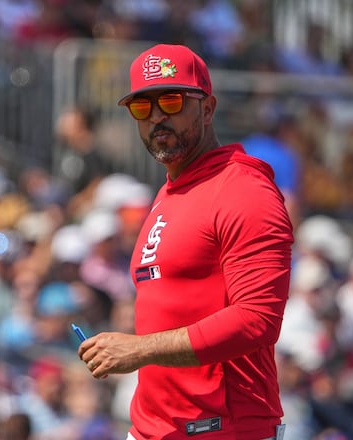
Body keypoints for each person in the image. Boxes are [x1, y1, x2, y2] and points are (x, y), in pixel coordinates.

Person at [76, 44, 293, 440]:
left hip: (223, 430)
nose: (157, 116)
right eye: (143, 107)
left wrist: (138, 350)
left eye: (172, 101)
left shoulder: (243, 190)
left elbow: (257, 320)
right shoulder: (170, 191)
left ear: (208, 109)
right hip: (153, 430)